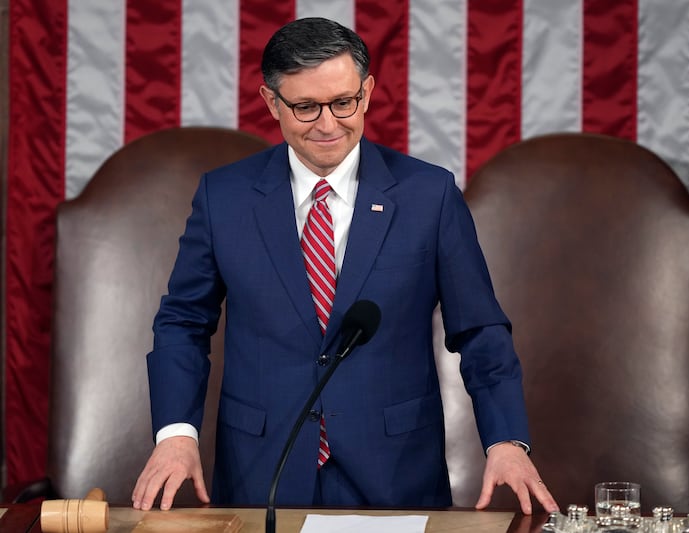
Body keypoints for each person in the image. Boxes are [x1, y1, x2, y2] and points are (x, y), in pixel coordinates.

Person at [132, 16, 558, 515]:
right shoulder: (223, 197)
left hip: (396, 472)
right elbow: (183, 322)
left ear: (368, 92)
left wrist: (506, 440)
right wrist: (176, 433)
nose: (329, 124)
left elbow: (481, 330)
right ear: (271, 102)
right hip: (261, 471)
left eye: (343, 102)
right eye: (306, 107)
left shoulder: (429, 195)